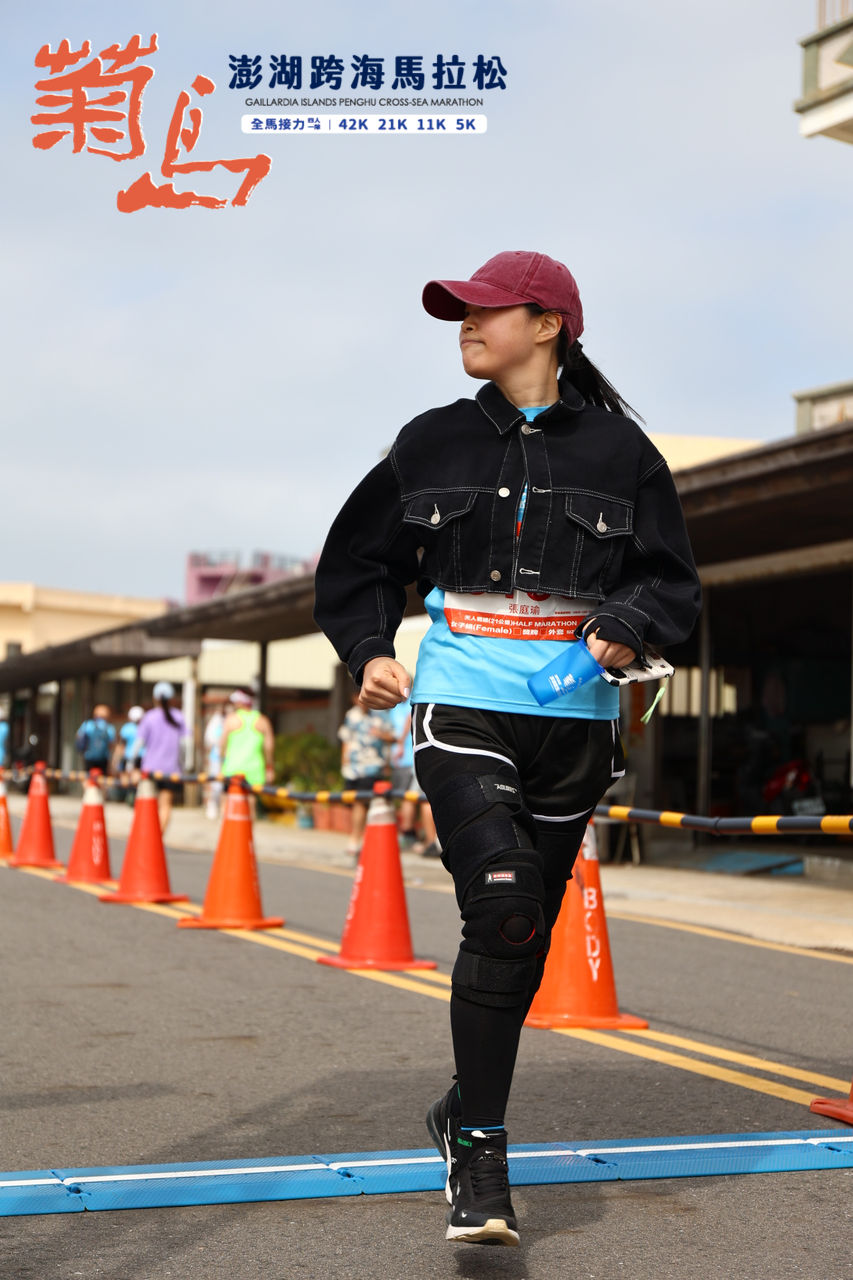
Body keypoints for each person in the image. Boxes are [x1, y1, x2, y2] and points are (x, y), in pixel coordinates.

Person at [313, 250, 701, 1246]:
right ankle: (481, 1155)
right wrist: (369, 649)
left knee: (516, 943)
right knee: (504, 903)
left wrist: (625, 622)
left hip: (575, 723)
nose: (466, 324)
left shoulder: (622, 453)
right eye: (460, 311)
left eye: (485, 310)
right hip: (460, 705)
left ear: (548, 323)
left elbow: (671, 582)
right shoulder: (431, 440)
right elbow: (358, 562)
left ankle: (459, 1106)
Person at [337, 695, 396, 858]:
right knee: (353, 803)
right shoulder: (351, 715)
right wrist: (344, 761)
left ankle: (356, 839)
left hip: (372, 766)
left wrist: (381, 736)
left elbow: (392, 737)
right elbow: (346, 738)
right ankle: (359, 836)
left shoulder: (381, 715)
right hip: (353, 768)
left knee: (361, 803)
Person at [131, 681, 188, 833]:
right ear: (172, 699)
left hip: (150, 769)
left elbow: (138, 744)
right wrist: (184, 765)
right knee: (165, 805)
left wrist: (131, 765)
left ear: (155, 698)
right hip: (171, 769)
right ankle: (158, 837)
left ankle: (148, 837)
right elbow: (184, 745)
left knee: (147, 804)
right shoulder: (178, 717)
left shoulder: (149, 717)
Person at [388, 698, 440, 858]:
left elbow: (409, 719)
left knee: (418, 799)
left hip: (415, 757)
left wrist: (399, 744)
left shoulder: (408, 701)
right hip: (420, 756)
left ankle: (429, 842)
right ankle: (424, 839)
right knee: (416, 798)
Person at [219, 690, 275, 816]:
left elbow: (222, 745)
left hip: (232, 768)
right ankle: (249, 829)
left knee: (227, 804)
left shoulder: (231, 720)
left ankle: (226, 829)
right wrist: (269, 768)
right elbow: (269, 747)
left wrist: (221, 762)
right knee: (251, 806)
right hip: (254, 769)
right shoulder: (262, 721)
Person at [75, 704, 116, 778]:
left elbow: (79, 736)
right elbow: (111, 744)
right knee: (102, 779)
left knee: (88, 778)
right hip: (103, 759)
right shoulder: (109, 727)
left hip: (88, 757)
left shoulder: (87, 724)